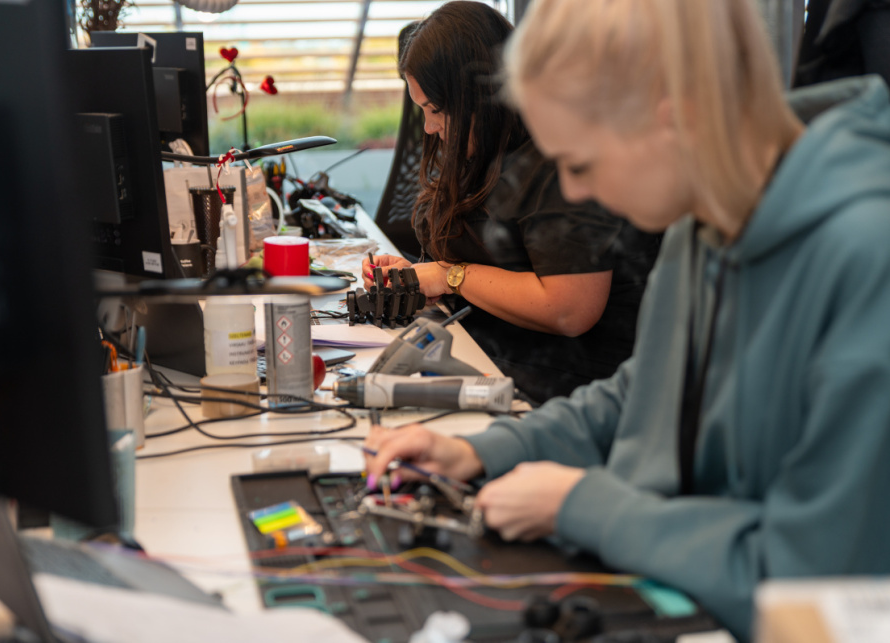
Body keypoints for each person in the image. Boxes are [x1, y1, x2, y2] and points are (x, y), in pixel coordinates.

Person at [365, 0, 890, 639]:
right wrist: (483, 450)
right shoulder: (707, 220)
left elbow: (817, 582)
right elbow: (645, 392)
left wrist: (581, 506)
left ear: (671, 119)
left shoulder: (866, 259)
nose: (575, 194)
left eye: (580, 164)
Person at [362, 1, 661, 403]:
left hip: (571, 386)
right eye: (422, 111)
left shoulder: (558, 161)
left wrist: (451, 276)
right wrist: (419, 276)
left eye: (436, 110)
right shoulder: (484, 152)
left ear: (479, 99)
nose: (429, 128)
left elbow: (570, 308)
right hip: (497, 356)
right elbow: (494, 264)